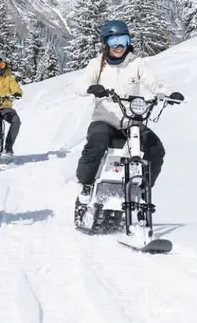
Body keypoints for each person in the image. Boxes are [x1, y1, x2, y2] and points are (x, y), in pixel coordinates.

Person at [74, 20, 184, 205]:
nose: (119, 46)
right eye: (113, 41)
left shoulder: (136, 63)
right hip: (105, 119)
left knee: (156, 149)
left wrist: (167, 93)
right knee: (96, 143)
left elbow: (154, 83)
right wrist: (91, 88)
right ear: (105, 43)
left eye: (123, 40)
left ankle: (144, 187)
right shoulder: (97, 64)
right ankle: (86, 183)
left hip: (131, 122)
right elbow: (79, 85)